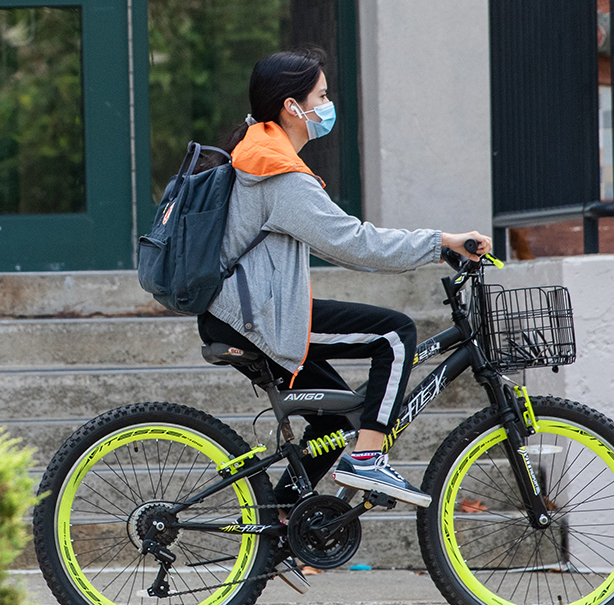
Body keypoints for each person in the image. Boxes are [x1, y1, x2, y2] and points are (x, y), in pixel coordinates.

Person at [200, 50, 489, 507]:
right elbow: (355, 244)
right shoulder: (279, 174)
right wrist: (441, 243)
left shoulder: (259, 156)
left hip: (243, 313)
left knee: (334, 422)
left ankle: (277, 527)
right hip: (257, 317)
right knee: (395, 334)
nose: (328, 104)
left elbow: (331, 239)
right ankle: (368, 458)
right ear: (291, 107)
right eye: (322, 95)